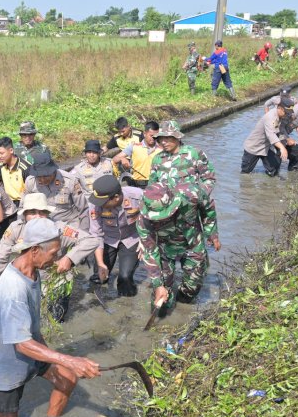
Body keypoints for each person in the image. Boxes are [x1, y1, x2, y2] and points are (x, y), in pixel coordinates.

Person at [0, 217, 101, 417]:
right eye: (53, 253)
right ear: (35, 250)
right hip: (4, 359)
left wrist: (56, 357)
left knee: (67, 379)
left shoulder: (33, 272)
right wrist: (70, 360)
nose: (55, 260)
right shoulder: (13, 288)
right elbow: (21, 343)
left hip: (31, 344)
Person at [0, 193, 101, 311]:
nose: (37, 216)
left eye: (42, 212)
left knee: (57, 317)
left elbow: (92, 240)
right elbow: (0, 257)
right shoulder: (15, 229)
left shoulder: (59, 229)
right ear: (24, 214)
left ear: (48, 214)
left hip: (56, 279)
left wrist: (69, 258)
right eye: (32, 213)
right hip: (28, 280)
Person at [137, 182, 220, 316]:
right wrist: (158, 284)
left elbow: (208, 208)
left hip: (192, 243)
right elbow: (150, 251)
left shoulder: (192, 193)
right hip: (164, 248)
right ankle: (163, 317)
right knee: (162, 296)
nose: (161, 220)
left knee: (192, 288)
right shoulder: (144, 220)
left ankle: (183, 311)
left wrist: (212, 234)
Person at [88, 175, 143, 297]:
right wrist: (101, 263)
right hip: (107, 239)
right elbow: (96, 234)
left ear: (116, 198)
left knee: (125, 277)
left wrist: (145, 241)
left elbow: (151, 219)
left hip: (131, 238)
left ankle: (126, 305)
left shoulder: (138, 196)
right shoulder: (95, 203)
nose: (99, 205)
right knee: (100, 275)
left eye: (103, 202)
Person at [24, 151, 90, 231]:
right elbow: (23, 208)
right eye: (39, 176)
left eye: (45, 176)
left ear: (53, 171)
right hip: (42, 227)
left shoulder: (69, 181)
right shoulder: (30, 182)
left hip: (68, 226)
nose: (42, 180)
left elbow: (83, 208)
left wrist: (83, 232)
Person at [148, 120, 216, 196]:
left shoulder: (194, 153)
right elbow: (152, 186)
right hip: (167, 206)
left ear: (177, 137)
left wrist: (198, 196)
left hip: (190, 205)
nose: (163, 142)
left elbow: (209, 178)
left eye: (167, 138)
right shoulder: (157, 159)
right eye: (160, 138)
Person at [241, 97, 295, 176]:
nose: (287, 115)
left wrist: (287, 139)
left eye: (289, 113)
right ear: (279, 108)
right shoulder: (270, 117)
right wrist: (282, 148)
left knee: (274, 169)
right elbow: (271, 135)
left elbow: (278, 131)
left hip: (265, 147)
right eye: (286, 112)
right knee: (245, 173)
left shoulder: (280, 116)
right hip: (253, 147)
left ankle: (267, 185)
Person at [112, 120, 163, 189]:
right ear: (144, 134)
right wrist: (122, 159)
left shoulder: (162, 149)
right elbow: (115, 159)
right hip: (137, 185)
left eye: (156, 136)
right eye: (151, 136)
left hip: (156, 185)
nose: (154, 138)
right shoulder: (134, 146)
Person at [0, 136, 29, 207]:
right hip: (9, 203)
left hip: (24, 203)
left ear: (11, 150)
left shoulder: (24, 168)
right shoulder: (1, 168)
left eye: (1, 153)